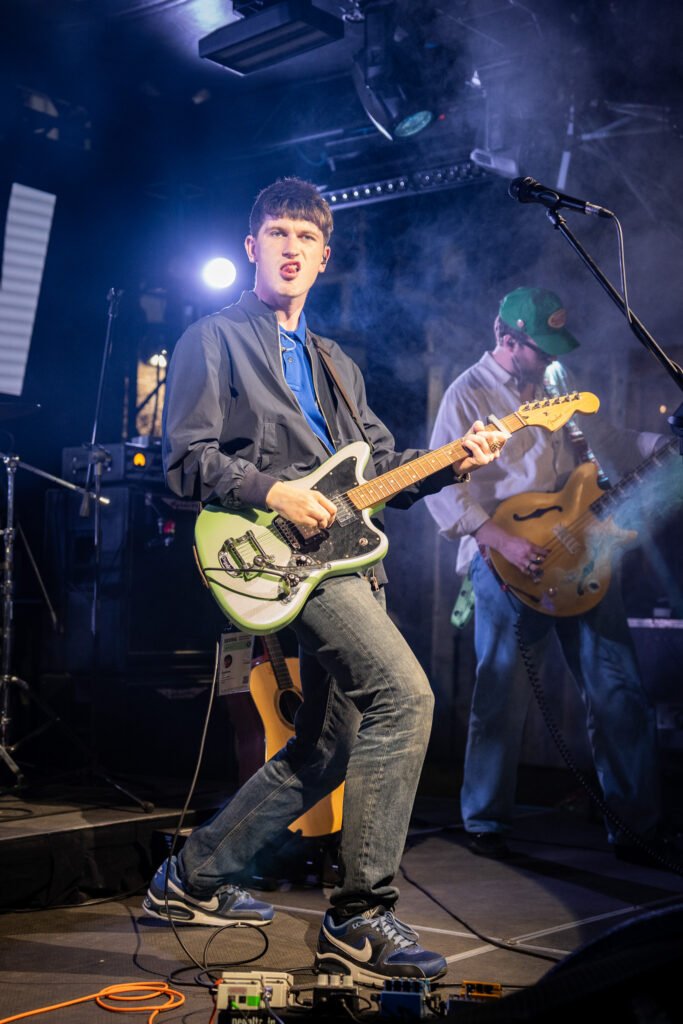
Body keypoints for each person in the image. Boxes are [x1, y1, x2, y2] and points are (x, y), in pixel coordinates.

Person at [142, 177, 508, 984]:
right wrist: (273, 491)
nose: (291, 248)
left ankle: (190, 879)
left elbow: (382, 473)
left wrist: (456, 461)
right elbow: (185, 460)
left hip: (349, 561)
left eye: (305, 237)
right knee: (405, 698)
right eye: (277, 233)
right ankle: (358, 915)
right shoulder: (213, 337)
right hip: (274, 552)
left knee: (330, 744)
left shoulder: (336, 363)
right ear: (252, 246)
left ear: (323, 257)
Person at [424, 285, 673, 867]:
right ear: (504, 336)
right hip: (505, 561)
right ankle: (486, 821)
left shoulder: (557, 382)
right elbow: (442, 487)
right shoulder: (467, 393)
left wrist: (667, 442)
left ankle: (636, 827)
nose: (548, 360)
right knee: (500, 694)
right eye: (539, 348)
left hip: (582, 554)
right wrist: (504, 540)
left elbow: (609, 443)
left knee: (617, 689)